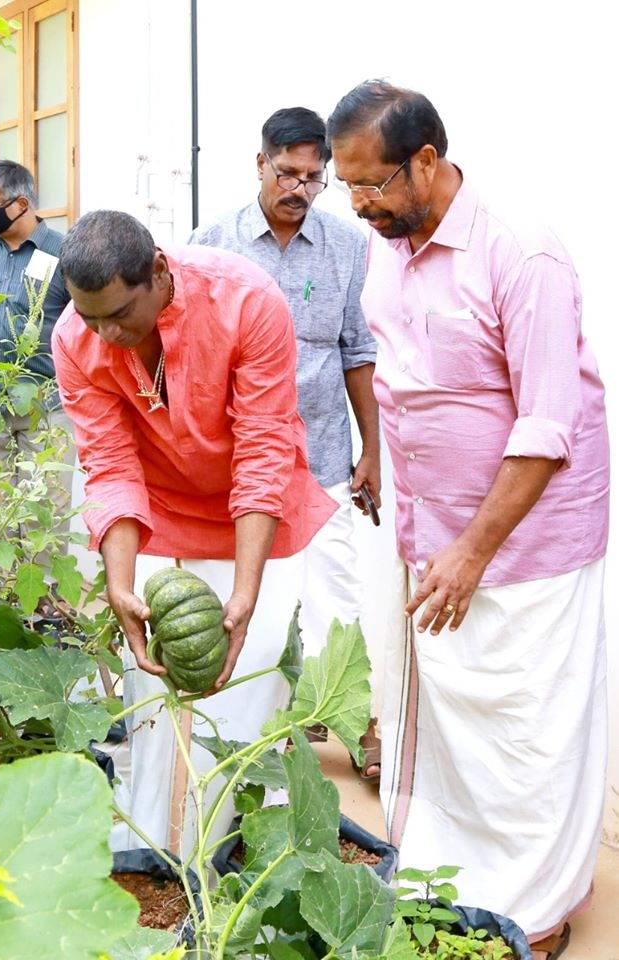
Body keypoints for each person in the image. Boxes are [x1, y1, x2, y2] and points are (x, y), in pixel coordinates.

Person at [326, 79, 609, 960]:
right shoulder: (390, 243)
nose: (360, 205)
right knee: (453, 725)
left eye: (373, 185)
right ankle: (458, 873)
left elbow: (545, 425)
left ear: (426, 161)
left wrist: (472, 552)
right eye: (348, 188)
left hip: (523, 542)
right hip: (431, 528)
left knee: (524, 728)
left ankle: (533, 904)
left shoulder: (520, 254)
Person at [51, 210, 336, 857]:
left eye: (118, 314)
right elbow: (109, 463)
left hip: (256, 522)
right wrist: (119, 584)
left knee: (249, 704)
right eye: (88, 317)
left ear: (157, 271)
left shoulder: (246, 301)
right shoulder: (77, 336)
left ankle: (250, 869)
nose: (103, 334)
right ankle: (162, 862)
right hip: (157, 516)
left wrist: (243, 592)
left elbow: (262, 453)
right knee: (154, 710)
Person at [189, 106, 382, 777]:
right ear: (260, 166)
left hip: (322, 455)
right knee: (258, 604)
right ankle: (262, 734)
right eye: (287, 173)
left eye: (312, 177)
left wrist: (372, 450)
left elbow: (356, 350)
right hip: (240, 464)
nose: (298, 188)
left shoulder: (347, 247)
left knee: (338, 601)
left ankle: (354, 726)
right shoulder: (210, 244)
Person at [0, 160, 75, 589]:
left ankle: (43, 602)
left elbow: (85, 323)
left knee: (44, 506)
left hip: (45, 401)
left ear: (22, 203)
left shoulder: (63, 252)